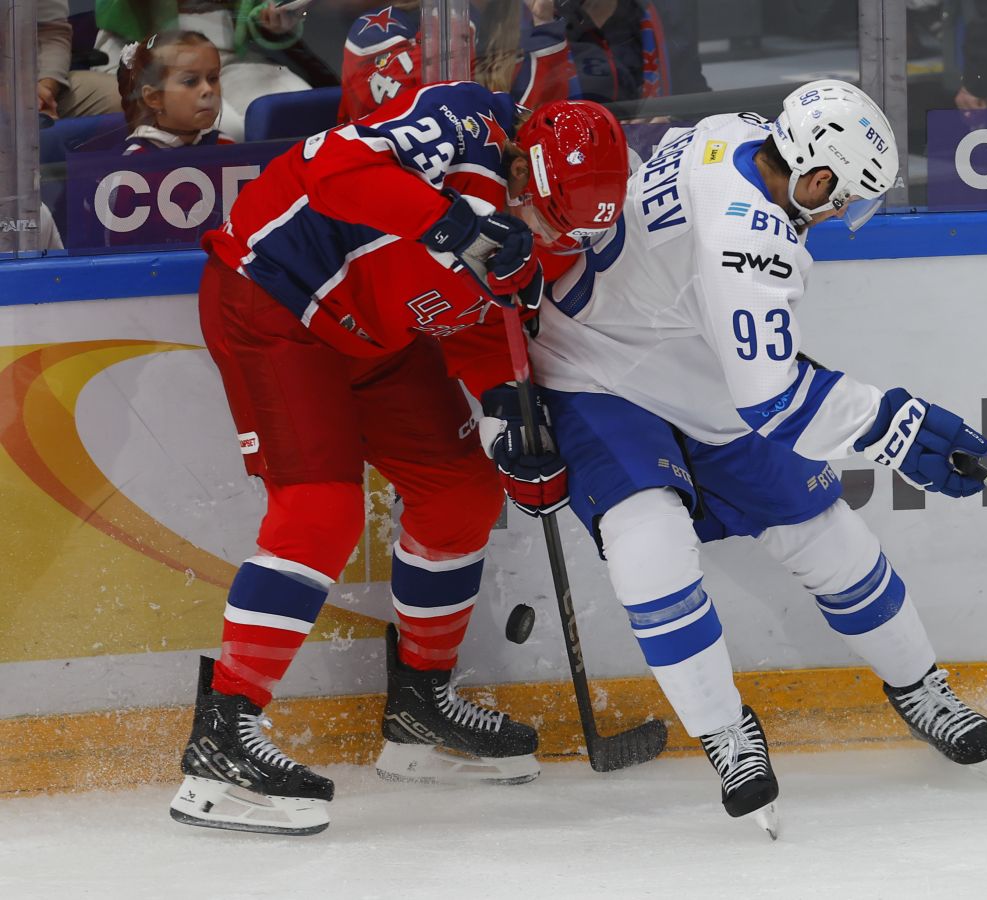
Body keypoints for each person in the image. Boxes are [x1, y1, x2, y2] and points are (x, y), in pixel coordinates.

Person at [528, 80, 987, 832]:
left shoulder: (734, 130)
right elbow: (775, 402)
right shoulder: (748, 244)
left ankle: (920, 688)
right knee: (648, 542)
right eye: (845, 198)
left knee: (826, 535)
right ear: (816, 179)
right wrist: (896, 426)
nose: (842, 214)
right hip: (595, 370)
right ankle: (724, 732)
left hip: (688, 358)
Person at [168, 80, 630, 835]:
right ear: (523, 167)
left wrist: (507, 414)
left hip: (379, 337)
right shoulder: (460, 119)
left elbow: (475, 317)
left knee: (462, 491)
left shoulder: (549, 229)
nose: (553, 237)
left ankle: (420, 706)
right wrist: (455, 224)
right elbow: (332, 169)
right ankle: (222, 737)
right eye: (548, 216)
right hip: (276, 303)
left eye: (570, 231)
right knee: (321, 512)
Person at [93, 1, 314, 141]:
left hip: (223, 52)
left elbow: (252, 9)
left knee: (300, 107)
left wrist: (268, 18)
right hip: (148, 51)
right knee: (226, 130)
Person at [338, 0, 579, 123]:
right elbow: (422, 106)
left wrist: (544, 23)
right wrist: (458, 10)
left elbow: (534, 127)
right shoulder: (377, 27)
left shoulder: (509, 40)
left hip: (474, 188)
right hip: (384, 184)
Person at [116, 30, 234, 152]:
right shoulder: (135, 158)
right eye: (190, 81)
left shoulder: (227, 146)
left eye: (213, 78)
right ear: (154, 98)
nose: (208, 89)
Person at [38, 0, 122, 121]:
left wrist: (47, 89)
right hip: (13, 91)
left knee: (133, 100)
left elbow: (52, 34)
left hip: (40, 83)